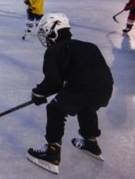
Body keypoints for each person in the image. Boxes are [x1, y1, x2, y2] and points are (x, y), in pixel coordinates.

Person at [27, 13, 113, 175]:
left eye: (45, 32)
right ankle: (90, 142)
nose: (44, 36)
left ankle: (51, 152)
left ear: (52, 31)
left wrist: (38, 93)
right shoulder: (89, 45)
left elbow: (54, 82)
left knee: (55, 109)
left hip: (82, 88)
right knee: (87, 108)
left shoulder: (55, 50)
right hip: (105, 89)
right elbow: (91, 72)